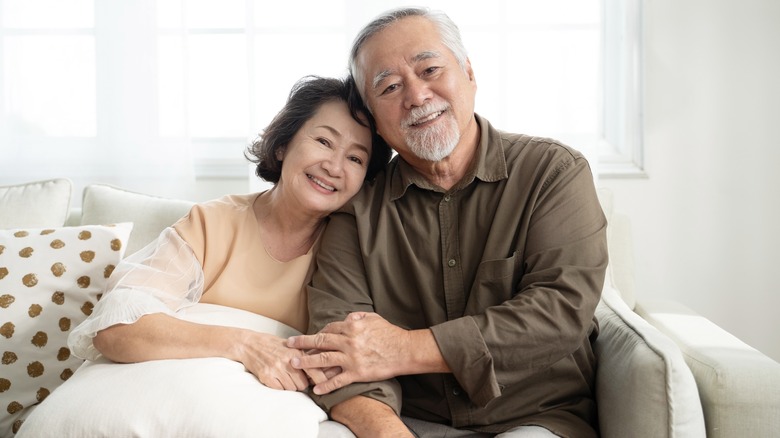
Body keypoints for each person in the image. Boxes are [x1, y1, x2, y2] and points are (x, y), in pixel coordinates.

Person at [286, 7, 608, 438]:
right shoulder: (355, 211)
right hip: (410, 423)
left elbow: (561, 311)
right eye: (390, 86)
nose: (417, 96)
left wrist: (402, 349)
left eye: (430, 69)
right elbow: (338, 347)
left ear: (469, 73)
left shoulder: (553, 172)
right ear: (374, 121)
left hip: (537, 419)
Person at [65, 75, 390, 389]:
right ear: (282, 145)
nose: (334, 166)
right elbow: (116, 327)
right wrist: (245, 345)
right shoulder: (211, 223)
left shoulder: (356, 248)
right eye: (323, 141)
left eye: (355, 158)